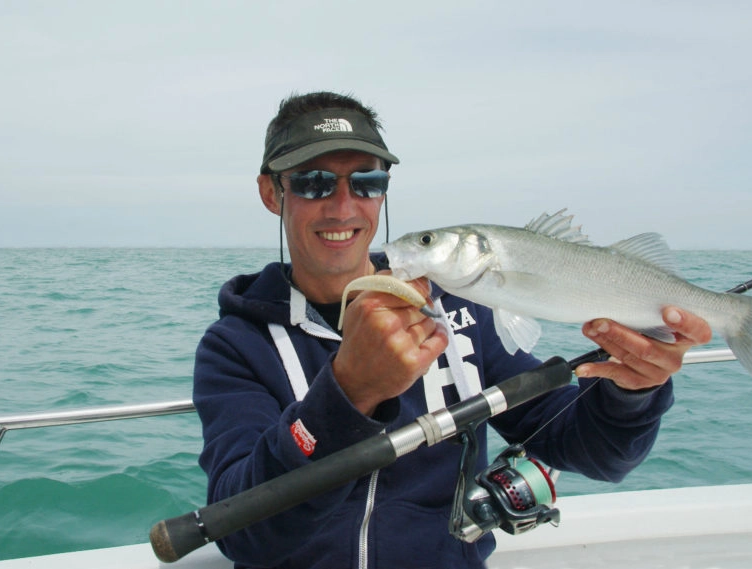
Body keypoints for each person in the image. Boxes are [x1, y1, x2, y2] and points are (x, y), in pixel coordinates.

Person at [193, 91, 712, 569]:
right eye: (313, 182)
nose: (344, 206)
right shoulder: (235, 346)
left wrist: (631, 392)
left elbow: (592, 452)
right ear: (271, 193)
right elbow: (244, 531)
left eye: (367, 182)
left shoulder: (462, 308)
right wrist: (349, 394)